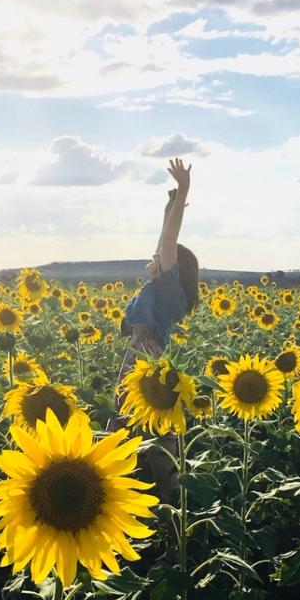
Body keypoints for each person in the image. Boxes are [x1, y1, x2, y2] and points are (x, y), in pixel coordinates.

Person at [112, 158, 200, 502]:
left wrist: (183, 198)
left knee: (159, 445)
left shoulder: (168, 292)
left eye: (161, 255)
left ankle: (172, 513)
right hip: (135, 360)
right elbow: (165, 242)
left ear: (172, 267)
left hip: (146, 364)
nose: (155, 254)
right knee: (123, 438)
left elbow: (168, 244)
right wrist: (168, 208)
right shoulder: (164, 288)